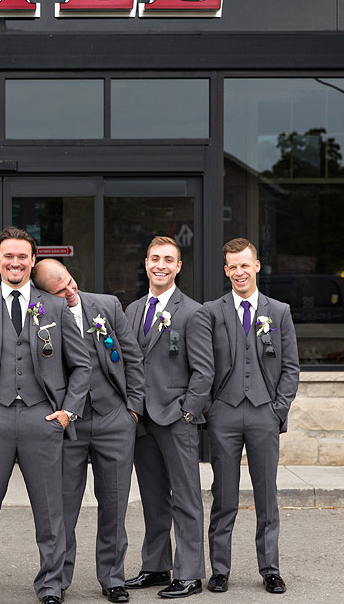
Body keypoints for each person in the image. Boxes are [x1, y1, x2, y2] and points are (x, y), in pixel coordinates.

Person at [0, 226, 92, 604]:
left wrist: (66, 413)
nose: (15, 262)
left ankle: (51, 586)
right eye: (8, 256)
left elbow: (82, 366)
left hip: (42, 421)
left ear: (32, 260)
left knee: (50, 513)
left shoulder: (56, 307)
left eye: (22, 256)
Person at [33, 258, 144, 604]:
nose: (68, 291)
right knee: (62, 508)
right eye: (59, 290)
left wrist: (133, 409)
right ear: (45, 294)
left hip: (114, 418)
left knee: (113, 504)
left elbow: (132, 356)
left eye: (68, 282)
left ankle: (112, 578)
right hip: (69, 424)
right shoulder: (42, 315)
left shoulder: (107, 305)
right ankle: (56, 581)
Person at [203, 238, 300, 595]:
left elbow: (291, 367)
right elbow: (204, 364)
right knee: (223, 495)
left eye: (245, 265)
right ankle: (220, 570)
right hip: (224, 414)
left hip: (263, 414)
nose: (239, 271)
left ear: (256, 266)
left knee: (266, 495)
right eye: (232, 266)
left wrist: (277, 411)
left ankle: (270, 569)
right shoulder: (211, 312)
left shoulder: (279, 311)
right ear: (226, 269)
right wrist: (210, 409)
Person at [124, 236, 214, 599]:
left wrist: (187, 412)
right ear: (145, 263)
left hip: (177, 420)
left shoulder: (193, 312)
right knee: (152, 498)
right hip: (141, 420)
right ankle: (156, 567)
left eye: (168, 260)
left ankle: (190, 573)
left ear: (178, 267)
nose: (160, 265)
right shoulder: (131, 311)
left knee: (186, 498)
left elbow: (204, 372)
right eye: (154, 258)